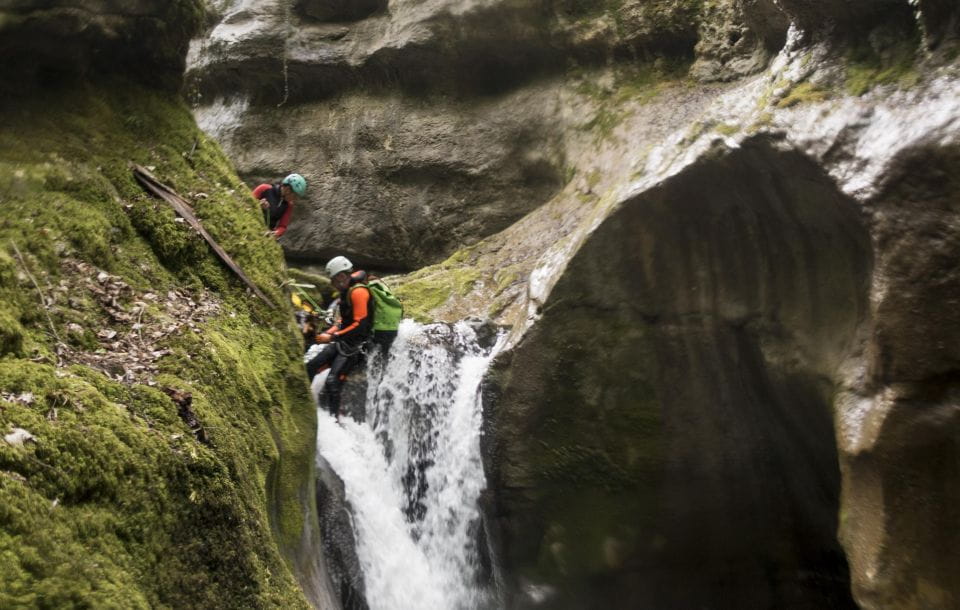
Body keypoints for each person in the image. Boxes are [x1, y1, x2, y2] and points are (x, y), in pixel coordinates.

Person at [305, 256, 373, 419]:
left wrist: (333, 336)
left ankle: (334, 419)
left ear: (341, 276)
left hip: (356, 346)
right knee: (311, 366)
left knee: (332, 382)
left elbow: (360, 324)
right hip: (343, 341)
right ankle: (303, 405)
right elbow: (344, 320)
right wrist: (331, 332)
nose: (332, 284)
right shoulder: (346, 292)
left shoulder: (359, 292)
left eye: (333, 280)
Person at [252, 173, 307, 238]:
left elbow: (282, 226)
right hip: (252, 222)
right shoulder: (264, 188)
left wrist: (276, 233)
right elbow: (246, 201)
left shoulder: (288, 205)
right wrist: (258, 204)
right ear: (287, 189)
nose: (295, 200)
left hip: (265, 233)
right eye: (295, 196)